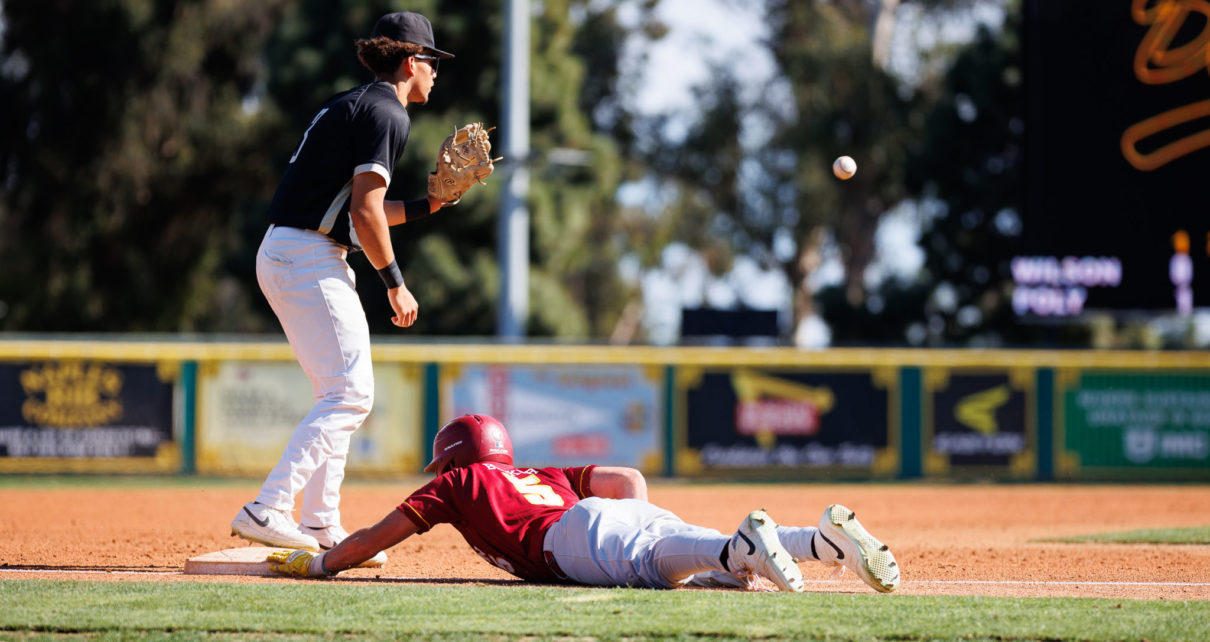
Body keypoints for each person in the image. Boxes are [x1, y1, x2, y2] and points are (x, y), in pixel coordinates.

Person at [230, 11, 460, 562]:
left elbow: (357, 217)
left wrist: (431, 204)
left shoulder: (353, 103)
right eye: (432, 62)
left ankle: (323, 523)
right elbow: (365, 211)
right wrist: (395, 284)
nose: (436, 74)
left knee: (338, 391)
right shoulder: (388, 114)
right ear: (411, 62)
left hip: (294, 249)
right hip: (308, 256)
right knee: (350, 394)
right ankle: (268, 508)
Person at [267, 414, 901, 593]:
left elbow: (375, 537)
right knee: (686, 559)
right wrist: (646, 521)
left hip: (569, 539)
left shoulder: (458, 486)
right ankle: (820, 542)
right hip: (611, 515)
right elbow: (625, 479)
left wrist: (320, 565)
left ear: (456, 459)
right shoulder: (537, 471)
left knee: (658, 563)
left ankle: (741, 547)